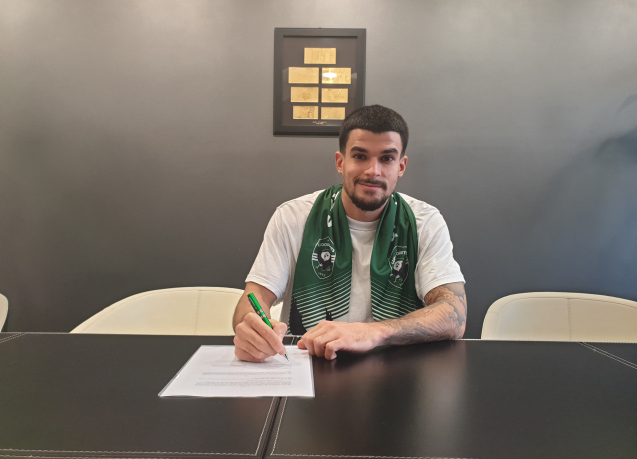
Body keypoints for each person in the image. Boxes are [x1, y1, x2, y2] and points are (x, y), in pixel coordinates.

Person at [233, 105, 466, 362]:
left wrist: (372, 332)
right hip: (307, 364)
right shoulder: (293, 217)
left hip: (400, 370)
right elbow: (254, 297)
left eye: (387, 159)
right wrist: (251, 327)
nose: (373, 171)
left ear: (401, 166)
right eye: (360, 156)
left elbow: (454, 313)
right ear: (340, 162)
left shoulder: (425, 221)